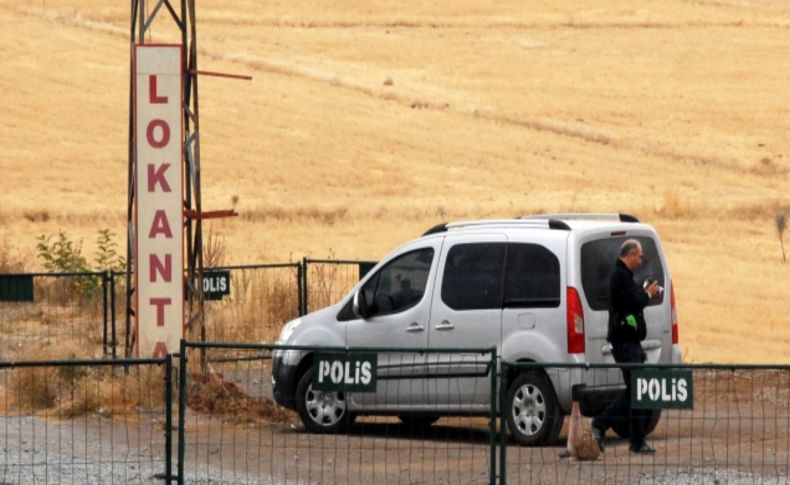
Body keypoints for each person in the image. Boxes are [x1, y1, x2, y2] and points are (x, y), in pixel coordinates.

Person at [591, 239, 661, 454]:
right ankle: (601, 423)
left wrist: (643, 292)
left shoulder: (623, 276)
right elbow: (632, 303)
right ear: (630, 255)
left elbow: (630, 299)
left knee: (636, 390)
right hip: (624, 343)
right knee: (636, 390)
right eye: (639, 256)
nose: (640, 261)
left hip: (630, 343)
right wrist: (648, 294)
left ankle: (635, 440)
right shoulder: (619, 277)